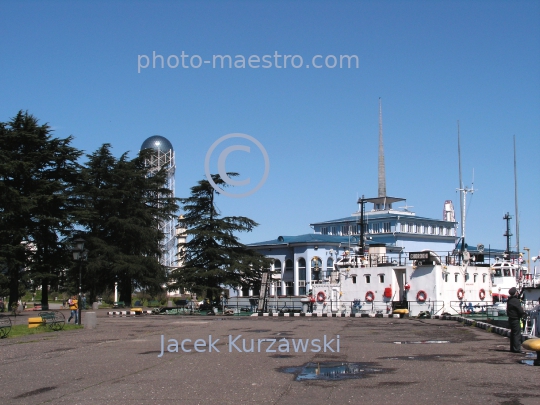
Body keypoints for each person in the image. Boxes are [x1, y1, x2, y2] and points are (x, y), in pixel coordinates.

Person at [506, 287, 525, 353]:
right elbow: (519, 310)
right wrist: (523, 313)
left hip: (510, 319)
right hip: (515, 319)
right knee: (517, 334)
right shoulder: (516, 301)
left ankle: (512, 348)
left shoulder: (509, 300)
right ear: (515, 293)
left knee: (513, 334)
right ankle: (517, 349)